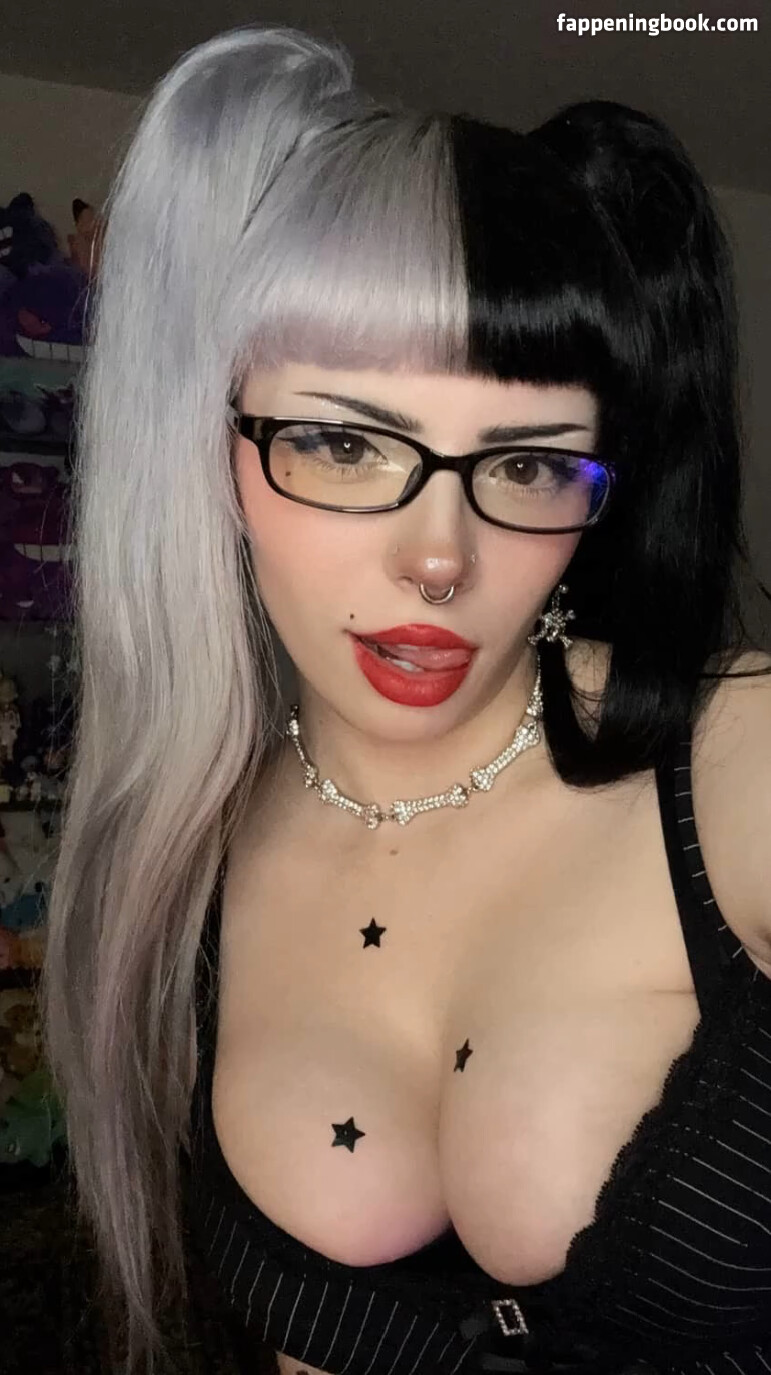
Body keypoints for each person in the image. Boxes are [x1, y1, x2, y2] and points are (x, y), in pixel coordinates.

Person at [40, 22, 771, 1375]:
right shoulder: (186, 859)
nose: (441, 558)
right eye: (342, 441)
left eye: (529, 466)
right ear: (206, 447)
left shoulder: (736, 769)